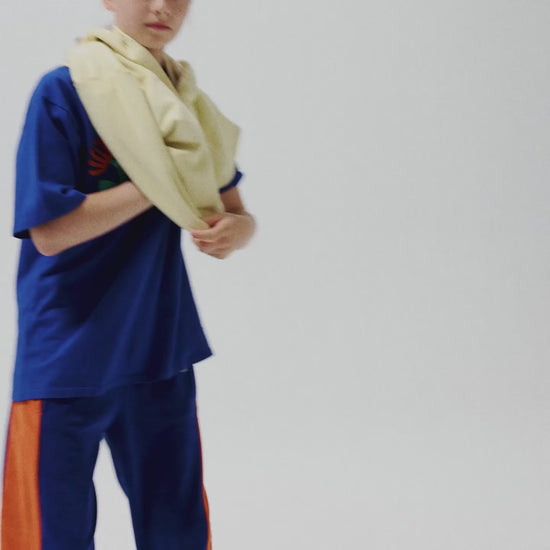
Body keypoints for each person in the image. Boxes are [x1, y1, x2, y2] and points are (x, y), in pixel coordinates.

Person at [1, 0, 255, 548]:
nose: (162, 7)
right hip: (67, 349)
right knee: (49, 534)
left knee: (177, 530)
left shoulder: (187, 107)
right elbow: (50, 231)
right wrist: (157, 180)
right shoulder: (66, 91)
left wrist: (235, 231)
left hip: (158, 342)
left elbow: (236, 213)